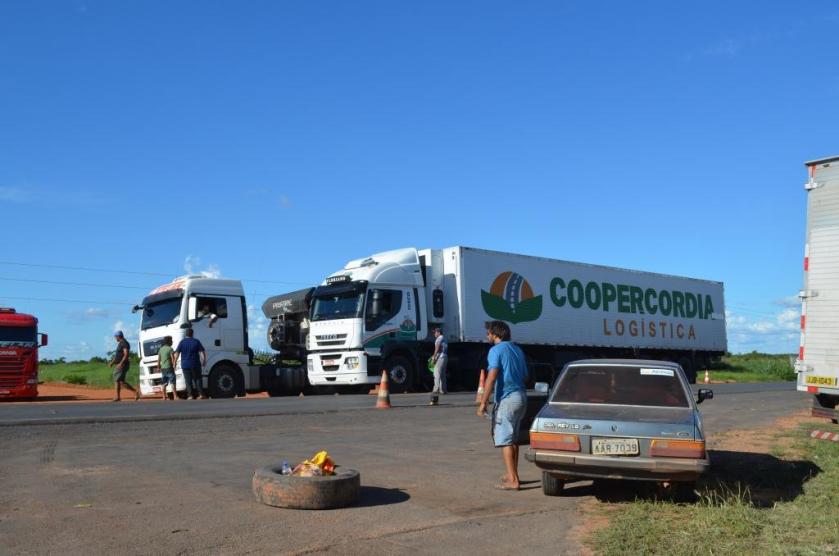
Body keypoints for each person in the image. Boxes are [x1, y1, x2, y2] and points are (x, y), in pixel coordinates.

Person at [477, 320, 529, 490]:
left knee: (505, 440)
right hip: (521, 397)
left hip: (507, 399)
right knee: (513, 440)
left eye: (488, 333)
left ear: (494, 334)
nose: (487, 336)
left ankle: (513, 480)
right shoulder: (517, 349)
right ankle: (512, 474)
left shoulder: (495, 350)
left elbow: (491, 376)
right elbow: (525, 376)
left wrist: (483, 402)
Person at [174, 328, 207, 399]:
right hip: (195, 364)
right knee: (198, 379)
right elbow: (201, 352)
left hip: (185, 365)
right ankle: (201, 394)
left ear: (186, 334)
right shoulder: (196, 341)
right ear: (192, 334)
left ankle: (190, 395)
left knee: (188, 381)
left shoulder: (182, 342)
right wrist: (204, 360)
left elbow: (177, 353)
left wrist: (174, 362)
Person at [108, 330, 140, 402]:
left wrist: (121, 363)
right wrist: (112, 362)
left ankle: (133, 392)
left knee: (118, 380)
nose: (115, 338)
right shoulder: (120, 343)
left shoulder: (124, 343)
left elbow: (126, 354)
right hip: (120, 364)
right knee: (120, 381)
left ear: (118, 336)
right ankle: (119, 396)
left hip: (122, 365)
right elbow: (117, 355)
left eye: (115, 337)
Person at [157, 336, 176, 401]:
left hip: (163, 369)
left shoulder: (161, 349)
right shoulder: (170, 349)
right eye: (171, 340)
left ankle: (164, 397)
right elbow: (173, 358)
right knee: (172, 382)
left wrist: (158, 367)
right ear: (169, 341)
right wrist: (174, 365)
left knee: (164, 383)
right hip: (169, 367)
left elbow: (158, 360)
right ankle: (175, 396)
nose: (172, 342)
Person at [431, 327, 448, 395]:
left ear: (439, 332)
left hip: (440, 357)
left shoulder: (439, 338)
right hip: (445, 357)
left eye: (435, 332)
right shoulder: (444, 338)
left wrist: (434, 357)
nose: (434, 334)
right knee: (442, 374)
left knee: (436, 373)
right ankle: (443, 390)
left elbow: (437, 348)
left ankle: (436, 389)